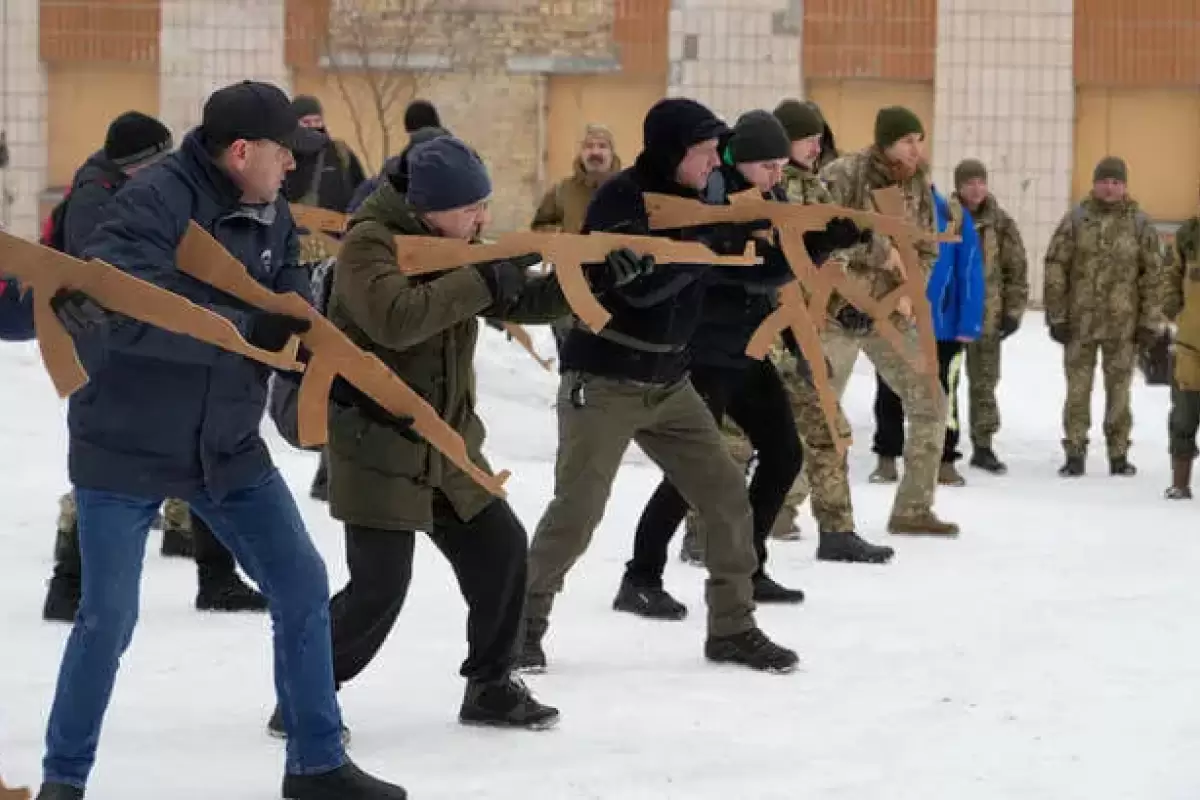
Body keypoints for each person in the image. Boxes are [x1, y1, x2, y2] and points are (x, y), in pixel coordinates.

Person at [35, 80, 407, 800]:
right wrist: (246, 333)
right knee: (108, 617)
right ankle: (63, 782)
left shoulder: (269, 204)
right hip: (127, 442)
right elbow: (124, 314)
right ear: (241, 152)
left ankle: (316, 765)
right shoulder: (149, 204)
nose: (294, 167)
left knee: (300, 585)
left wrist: (309, 327)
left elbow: (289, 288)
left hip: (225, 442)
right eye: (284, 154)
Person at [519, 97, 853, 675]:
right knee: (578, 511)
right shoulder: (622, 199)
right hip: (603, 379)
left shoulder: (706, 200)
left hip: (669, 381)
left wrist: (816, 246)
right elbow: (639, 292)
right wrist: (707, 248)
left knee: (725, 496)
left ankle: (733, 627)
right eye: (702, 153)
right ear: (674, 152)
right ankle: (517, 630)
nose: (712, 164)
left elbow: (748, 269)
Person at [264, 135, 564, 738]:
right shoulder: (367, 245)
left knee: (502, 550)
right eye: (469, 210)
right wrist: (483, 278)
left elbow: (515, 295)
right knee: (379, 588)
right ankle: (304, 698)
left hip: (447, 444)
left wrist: (597, 282)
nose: (480, 219)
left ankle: (492, 687)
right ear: (427, 207)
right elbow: (396, 320)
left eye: (484, 206)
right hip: (378, 444)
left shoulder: (451, 242)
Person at [39, 111, 267, 623]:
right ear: (132, 166)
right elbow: (102, 285)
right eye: (156, 163)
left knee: (201, 451)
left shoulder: (151, 192)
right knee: (106, 471)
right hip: (113, 358)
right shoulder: (96, 201)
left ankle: (216, 576)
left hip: (160, 344)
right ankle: (68, 586)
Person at [617, 109, 827, 619]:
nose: (781, 176)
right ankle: (640, 576)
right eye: (771, 167)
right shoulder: (710, 196)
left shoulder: (766, 195)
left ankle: (747, 566)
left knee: (783, 454)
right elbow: (739, 273)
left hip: (746, 349)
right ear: (743, 161)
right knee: (692, 472)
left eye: (782, 166)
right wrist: (815, 252)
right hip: (702, 351)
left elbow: (772, 269)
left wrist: (820, 242)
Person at [820, 106, 958, 536]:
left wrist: (907, 294)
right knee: (819, 410)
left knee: (931, 403)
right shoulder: (843, 175)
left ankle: (913, 509)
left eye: (920, 139)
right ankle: (784, 507)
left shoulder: (919, 185)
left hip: (890, 314)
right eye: (906, 141)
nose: (916, 150)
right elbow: (819, 239)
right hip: (836, 309)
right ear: (884, 143)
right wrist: (880, 254)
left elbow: (928, 252)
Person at [1043, 156, 1165, 477]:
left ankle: (1118, 452)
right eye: (1104, 181)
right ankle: (1075, 451)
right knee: (1077, 390)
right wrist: (1056, 315)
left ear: (1124, 187)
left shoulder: (1140, 224)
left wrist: (1150, 322)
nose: (1109, 188)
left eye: (1116, 182)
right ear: (1094, 184)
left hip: (1123, 327)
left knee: (1120, 391)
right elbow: (1056, 266)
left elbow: (1154, 275)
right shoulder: (1076, 220)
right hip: (1079, 324)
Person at [870, 183, 983, 487]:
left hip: (943, 325)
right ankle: (887, 456)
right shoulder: (884, 207)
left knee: (943, 393)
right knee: (890, 389)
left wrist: (968, 322)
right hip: (897, 318)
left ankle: (944, 458)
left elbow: (969, 269)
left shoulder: (951, 213)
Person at [951, 158, 1029, 475]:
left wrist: (1012, 311)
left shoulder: (1001, 223)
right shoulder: (944, 217)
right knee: (948, 382)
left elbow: (1016, 269)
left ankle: (983, 446)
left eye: (981, 182)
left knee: (984, 382)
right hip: (951, 318)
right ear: (959, 186)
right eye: (970, 182)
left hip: (987, 317)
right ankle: (944, 446)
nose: (976, 188)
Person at [531, 123, 623, 353]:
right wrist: (557, 236)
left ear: (612, 153)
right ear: (581, 153)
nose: (595, 152)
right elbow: (539, 227)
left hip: (616, 287)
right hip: (568, 287)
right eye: (589, 146)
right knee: (569, 355)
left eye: (602, 146)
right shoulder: (563, 190)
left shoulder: (627, 190)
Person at [1163, 200, 1200, 499]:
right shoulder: (1189, 235)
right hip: (1191, 344)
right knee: (1184, 415)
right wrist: (1174, 310)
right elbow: (1170, 277)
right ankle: (1180, 482)